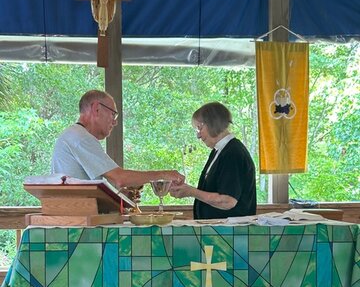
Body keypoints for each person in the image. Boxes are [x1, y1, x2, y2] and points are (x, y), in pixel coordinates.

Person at [51, 90, 184, 191]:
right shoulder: (80, 137)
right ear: (96, 109)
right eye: (113, 114)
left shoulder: (76, 135)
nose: (115, 122)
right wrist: (164, 175)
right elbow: (120, 179)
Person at [170, 102, 256, 219]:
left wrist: (191, 192)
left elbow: (227, 201)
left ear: (212, 124)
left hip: (229, 233)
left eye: (200, 128)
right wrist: (186, 189)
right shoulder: (219, 151)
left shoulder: (233, 153)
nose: (198, 136)